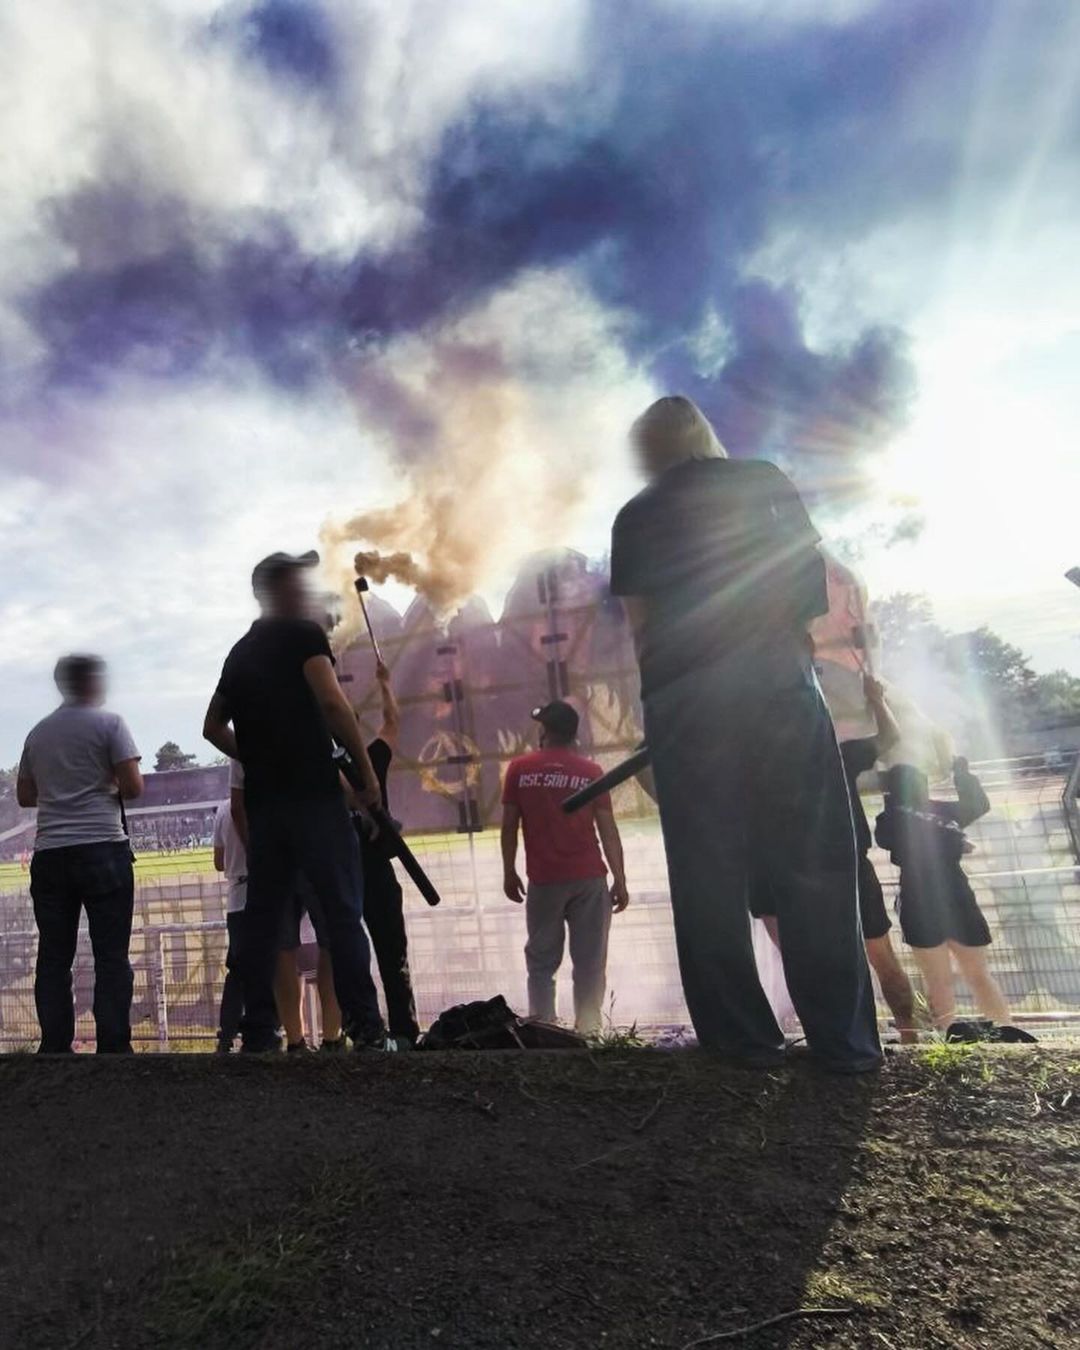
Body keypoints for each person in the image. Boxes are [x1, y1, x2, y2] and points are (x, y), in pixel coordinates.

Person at [610, 395, 881, 1072]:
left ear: (647, 452)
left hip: (687, 702)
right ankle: (843, 1044)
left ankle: (741, 1042)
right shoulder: (764, 480)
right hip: (779, 685)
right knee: (815, 859)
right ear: (704, 437)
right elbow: (807, 592)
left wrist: (671, 702)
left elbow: (643, 632)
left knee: (707, 873)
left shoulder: (635, 516)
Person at [202, 550, 387, 1053]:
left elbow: (211, 728)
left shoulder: (238, 654)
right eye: (300, 581)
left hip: (267, 810)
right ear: (283, 589)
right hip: (315, 801)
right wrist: (366, 776)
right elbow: (332, 702)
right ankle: (365, 1028)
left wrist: (260, 758)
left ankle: (259, 1031)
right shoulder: (304, 636)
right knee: (343, 914)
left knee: (264, 924)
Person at [752, 672, 918, 1044]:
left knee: (818, 961)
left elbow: (890, 738)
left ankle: (882, 1035)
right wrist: (876, 699)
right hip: (832, 868)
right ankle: (898, 1036)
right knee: (873, 958)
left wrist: (876, 699)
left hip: (820, 870)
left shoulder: (825, 755)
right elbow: (891, 737)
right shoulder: (833, 754)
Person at [16, 654, 143, 1053]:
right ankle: (113, 1046)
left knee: (54, 955)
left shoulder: (38, 733)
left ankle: (54, 1046)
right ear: (92, 683)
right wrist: (99, 786)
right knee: (111, 954)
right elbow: (134, 786)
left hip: (51, 851)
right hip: (103, 846)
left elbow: (24, 795)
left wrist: (60, 791)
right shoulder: (111, 724)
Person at [875, 758, 1034, 1041]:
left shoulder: (941, 810)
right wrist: (894, 803)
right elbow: (888, 838)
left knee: (977, 973)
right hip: (920, 901)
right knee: (940, 979)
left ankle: (1004, 1032)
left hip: (955, 897)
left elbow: (978, 804)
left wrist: (962, 773)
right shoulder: (891, 817)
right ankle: (949, 1036)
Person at [501, 701, 629, 1037]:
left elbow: (509, 825)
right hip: (589, 876)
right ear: (573, 734)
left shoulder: (519, 769)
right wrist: (620, 877)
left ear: (545, 732)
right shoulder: (590, 772)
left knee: (542, 961)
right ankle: (589, 1031)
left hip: (544, 880)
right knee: (589, 963)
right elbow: (608, 829)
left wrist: (508, 871)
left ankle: (544, 1031)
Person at [352, 659, 421, 1047]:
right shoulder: (374, 756)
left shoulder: (323, 771)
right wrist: (384, 684)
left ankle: (368, 1031)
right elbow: (392, 721)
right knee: (393, 955)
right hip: (376, 872)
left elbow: (392, 723)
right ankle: (404, 1031)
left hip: (347, 874)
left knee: (350, 956)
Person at [212, 760, 247, 1053]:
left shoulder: (222, 810)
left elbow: (218, 862)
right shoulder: (261, 801)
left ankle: (227, 1035)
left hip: (236, 897)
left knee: (237, 970)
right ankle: (264, 1029)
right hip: (260, 894)